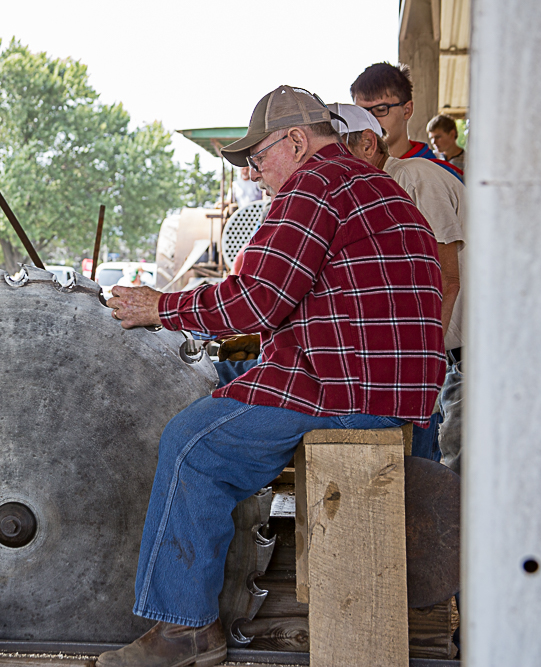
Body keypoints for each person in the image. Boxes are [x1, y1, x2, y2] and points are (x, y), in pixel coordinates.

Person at [99, 85, 446, 667]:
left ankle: (186, 630)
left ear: (296, 141)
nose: (254, 174)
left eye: (258, 158)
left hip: (346, 390)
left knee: (192, 444)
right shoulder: (378, 186)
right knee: (223, 388)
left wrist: (160, 308)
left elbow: (255, 300)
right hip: (393, 388)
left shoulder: (313, 185)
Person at [331, 103, 465, 462]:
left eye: (335, 154)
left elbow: (447, 281)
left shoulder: (413, 178)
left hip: (468, 357)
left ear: (367, 144)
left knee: (453, 471)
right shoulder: (372, 193)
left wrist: (422, 370)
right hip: (443, 356)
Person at [350, 63, 463, 181]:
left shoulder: (439, 175)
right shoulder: (351, 170)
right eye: (361, 112)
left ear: (407, 111)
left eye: (381, 109)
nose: (369, 120)